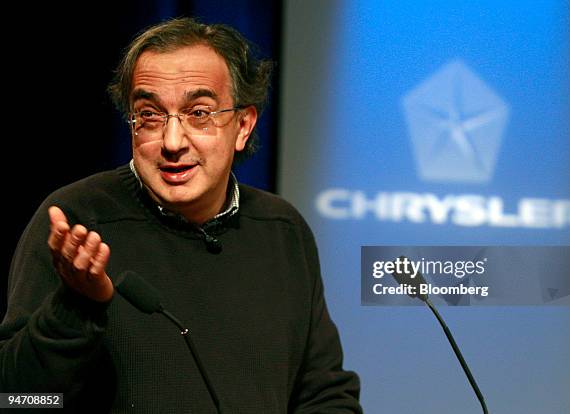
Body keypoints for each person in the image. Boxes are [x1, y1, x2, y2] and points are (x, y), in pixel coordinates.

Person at [0, 17, 362, 413]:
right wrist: (75, 309)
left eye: (199, 113)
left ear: (243, 125)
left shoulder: (282, 230)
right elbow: (18, 399)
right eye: (151, 115)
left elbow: (325, 396)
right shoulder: (78, 224)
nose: (172, 142)